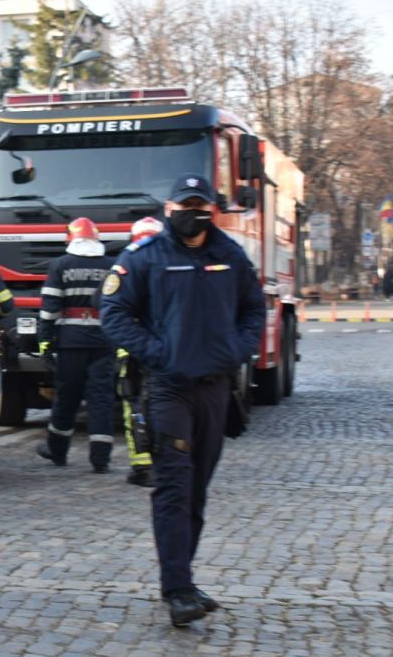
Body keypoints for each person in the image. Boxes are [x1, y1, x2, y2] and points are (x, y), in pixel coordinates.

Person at [100, 174, 265, 628]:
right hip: (169, 388)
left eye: (200, 206)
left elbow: (254, 309)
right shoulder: (145, 257)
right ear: (169, 208)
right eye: (185, 205)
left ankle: (183, 579)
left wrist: (237, 350)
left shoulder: (230, 256)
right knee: (174, 487)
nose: (193, 213)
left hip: (215, 388)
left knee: (196, 491)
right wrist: (158, 354)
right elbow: (114, 313)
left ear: (211, 209)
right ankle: (178, 589)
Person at [36, 217, 116, 473]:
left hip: (70, 342)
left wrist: (45, 341)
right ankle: (100, 458)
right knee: (101, 398)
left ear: (71, 239)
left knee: (67, 397)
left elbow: (50, 308)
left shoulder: (60, 265)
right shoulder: (111, 266)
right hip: (103, 340)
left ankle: (57, 450)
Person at [116, 217, 165, 488]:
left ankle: (143, 468)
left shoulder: (126, 268)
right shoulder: (177, 269)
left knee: (135, 407)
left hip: (134, 355)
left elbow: (103, 301)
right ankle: (169, 463)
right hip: (169, 355)